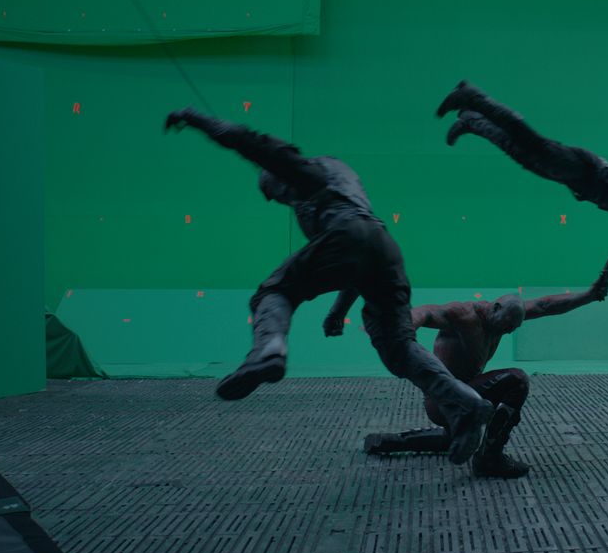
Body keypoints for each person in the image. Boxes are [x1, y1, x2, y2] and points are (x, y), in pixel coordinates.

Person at [163, 107, 492, 465]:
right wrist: (338, 311)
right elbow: (358, 259)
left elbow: (250, 143)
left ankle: (267, 350)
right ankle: (465, 403)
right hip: (384, 247)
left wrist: (198, 119)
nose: (279, 199)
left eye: (275, 191)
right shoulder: (347, 189)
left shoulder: (310, 176)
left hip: (349, 233)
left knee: (274, 293)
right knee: (398, 347)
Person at [341, 253, 608, 478]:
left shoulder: (505, 317)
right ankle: (489, 459)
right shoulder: (464, 316)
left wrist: (590, 295)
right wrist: (400, 329)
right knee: (517, 380)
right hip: (445, 400)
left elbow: (546, 306)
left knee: (454, 440)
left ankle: (392, 442)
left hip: (463, 399)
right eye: (505, 325)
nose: (506, 332)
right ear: (495, 308)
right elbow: (427, 312)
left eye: (512, 329)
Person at [436, 82, 608, 293]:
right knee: (528, 141)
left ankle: (472, 120)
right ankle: (474, 98)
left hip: (584, 172)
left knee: (522, 152)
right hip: (583, 172)